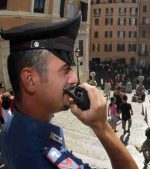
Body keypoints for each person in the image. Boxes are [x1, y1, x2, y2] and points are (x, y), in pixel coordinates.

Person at [0, 13, 138, 169]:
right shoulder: (47, 159)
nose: (74, 79)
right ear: (30, 80)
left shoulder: (10, 125)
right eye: (65, 70)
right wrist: (102, 126)